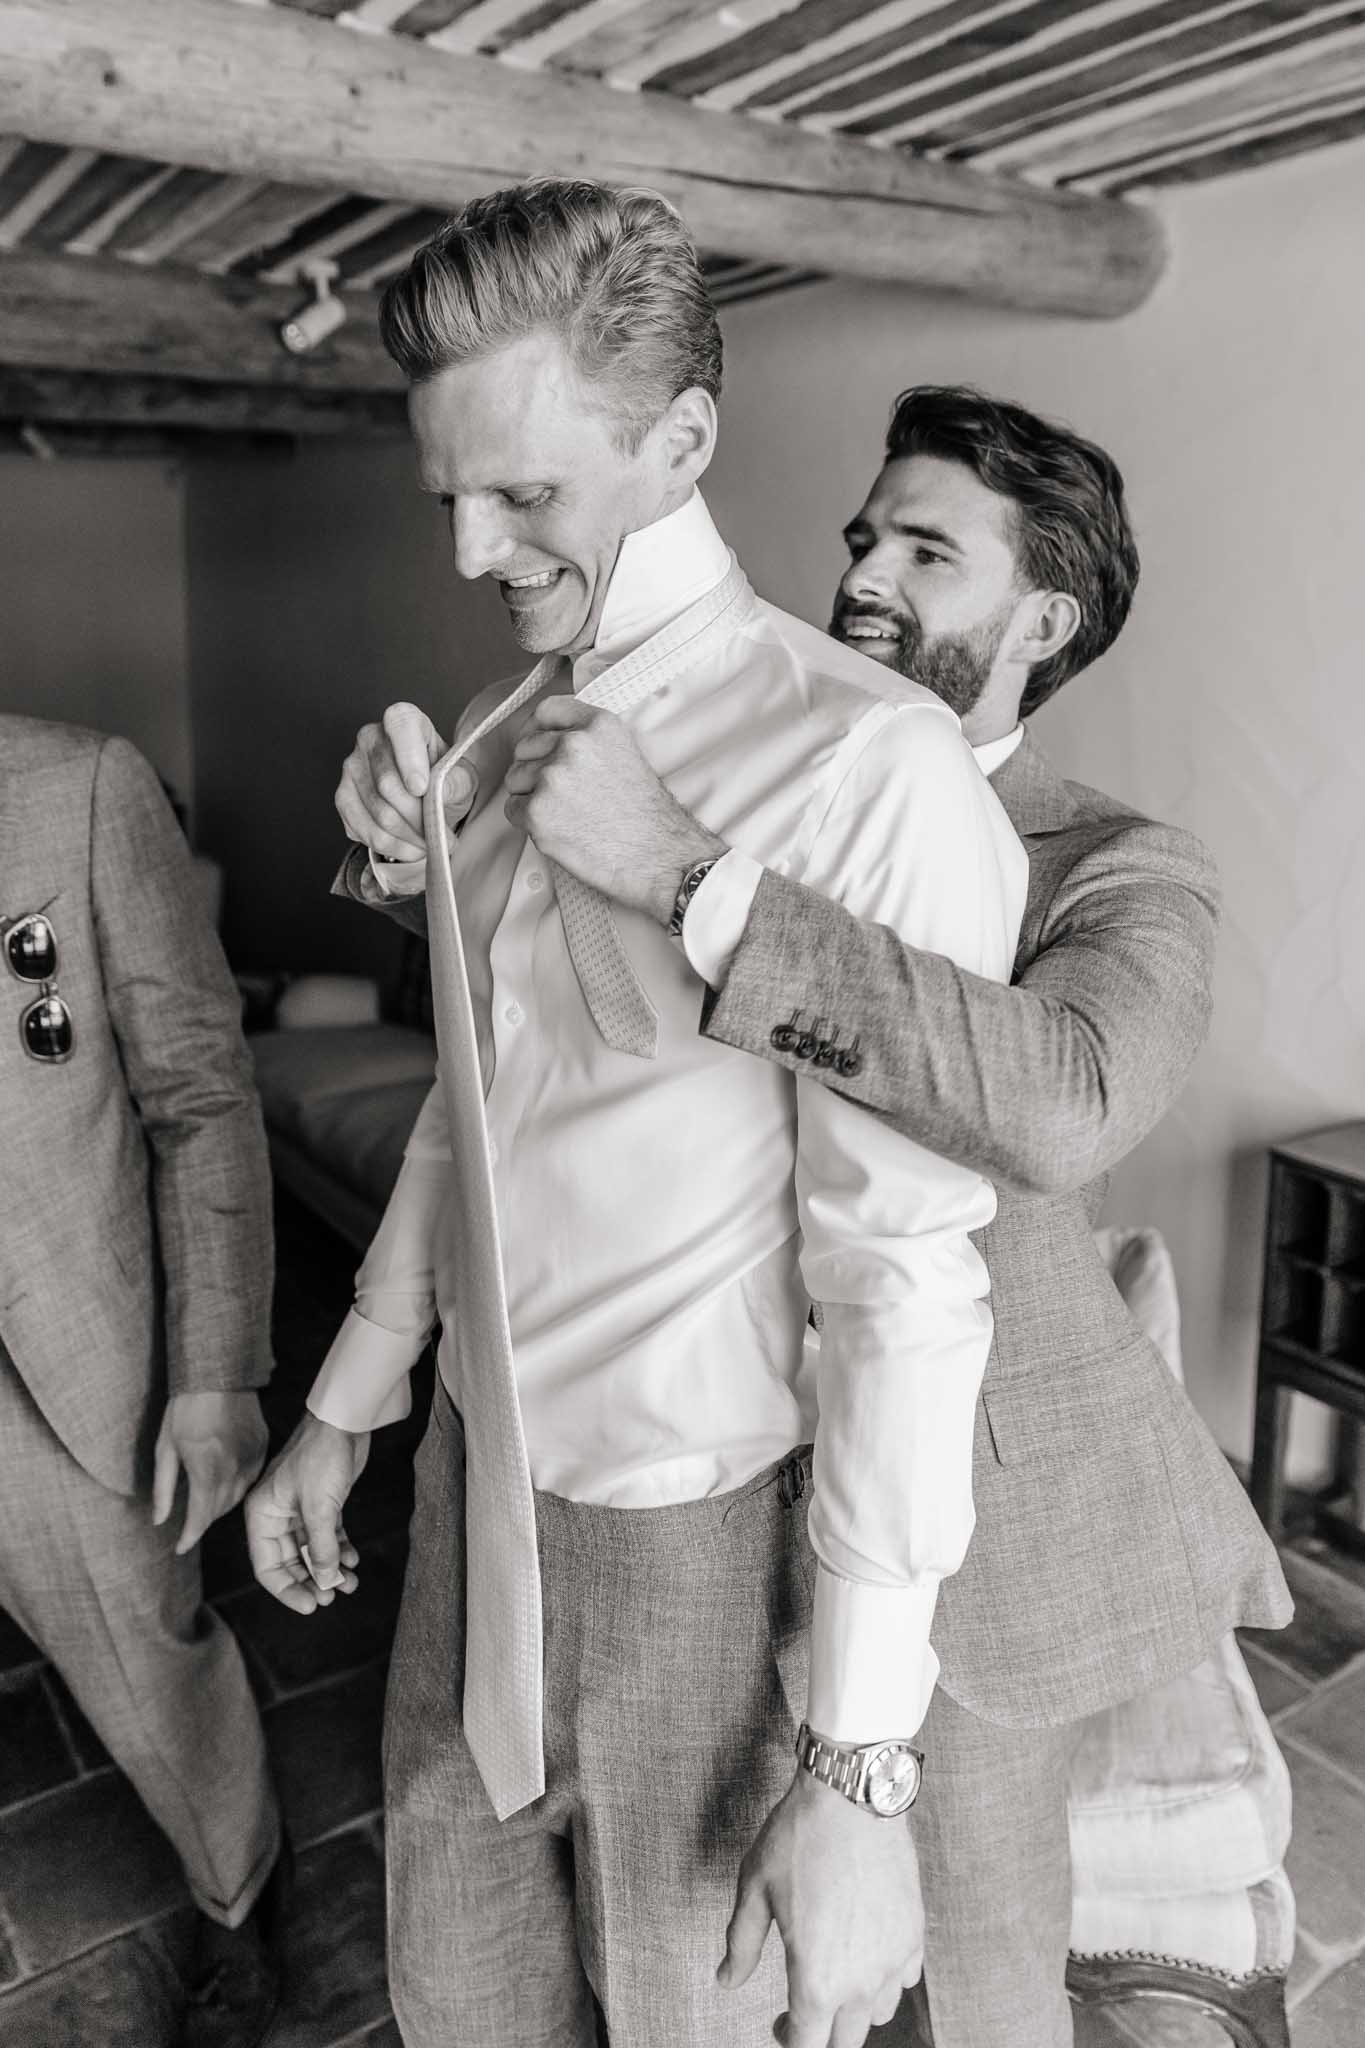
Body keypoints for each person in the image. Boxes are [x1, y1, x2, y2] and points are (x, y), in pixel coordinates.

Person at [332, 383, 1293, 2045]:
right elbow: (547, 1052)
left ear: (1044, 618)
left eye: (926, 551)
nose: (861, 575)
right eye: (863, 537)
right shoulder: (735, 755)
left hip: (972, 1528)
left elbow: (1064, 1100)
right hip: (702, 1514)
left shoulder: (1118, 866)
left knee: (974, 1990)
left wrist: (692, 879)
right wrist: (425, 858)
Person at [246, 182, 1029, 2048]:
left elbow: (902, 1279)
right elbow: (477, 1108)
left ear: (678, 442)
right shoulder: (493, 730)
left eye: (521, 492)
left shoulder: (871, 767)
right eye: (448, 496)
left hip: (702, 1553)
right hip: (466, 1500)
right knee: (455, 2001)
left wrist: (857, 1768)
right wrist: (347, 1407)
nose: (468, 549)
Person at [0, 715, 289, 2048]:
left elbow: (200, 1093)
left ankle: (240, 1895)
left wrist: (214, 1374)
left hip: (58, 1357)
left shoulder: (82, 787)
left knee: (146, 1666)